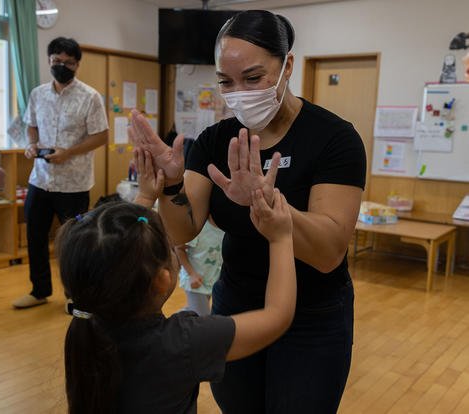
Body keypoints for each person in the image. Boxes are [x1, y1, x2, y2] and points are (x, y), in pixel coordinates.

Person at [130, 9, 366, 413]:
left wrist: (272, 207)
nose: (238, 92)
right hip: (236, 304)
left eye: (253, 78)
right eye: (226, 81)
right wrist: (170, 186)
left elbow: (329, 253)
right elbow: (183, 230)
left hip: (314, 314)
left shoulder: (334, 139)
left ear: (287, 64)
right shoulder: (214, 141)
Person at [57, 153, 296, 413]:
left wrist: (147, 196)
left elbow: (115, 254)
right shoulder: (183, 341)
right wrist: (280, 238)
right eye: (171, 247)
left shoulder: (85, 325)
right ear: (162, 280)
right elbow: (277, 316)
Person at [13, 37, 109, 309]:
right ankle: (39, 291)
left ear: (77, 64)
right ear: (49, 61)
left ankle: (75, 296)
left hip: (74, 183)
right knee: (35, 237)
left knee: (73, 244)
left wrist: (69, 152)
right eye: (56, 61)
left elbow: (101, 136)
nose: (61, 66)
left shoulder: (90, 97)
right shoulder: (37, 94)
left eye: (68, 62)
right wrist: (31, 144)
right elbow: (30, 125)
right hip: (40, 180)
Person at [174, 217, 224, 316]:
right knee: (203, 318)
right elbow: (179, 248)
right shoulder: (199, 228)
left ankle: (173, 322)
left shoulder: (226, 228)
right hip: (195, 282)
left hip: (211, 280)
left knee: (193, 311)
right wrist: (192, 274)